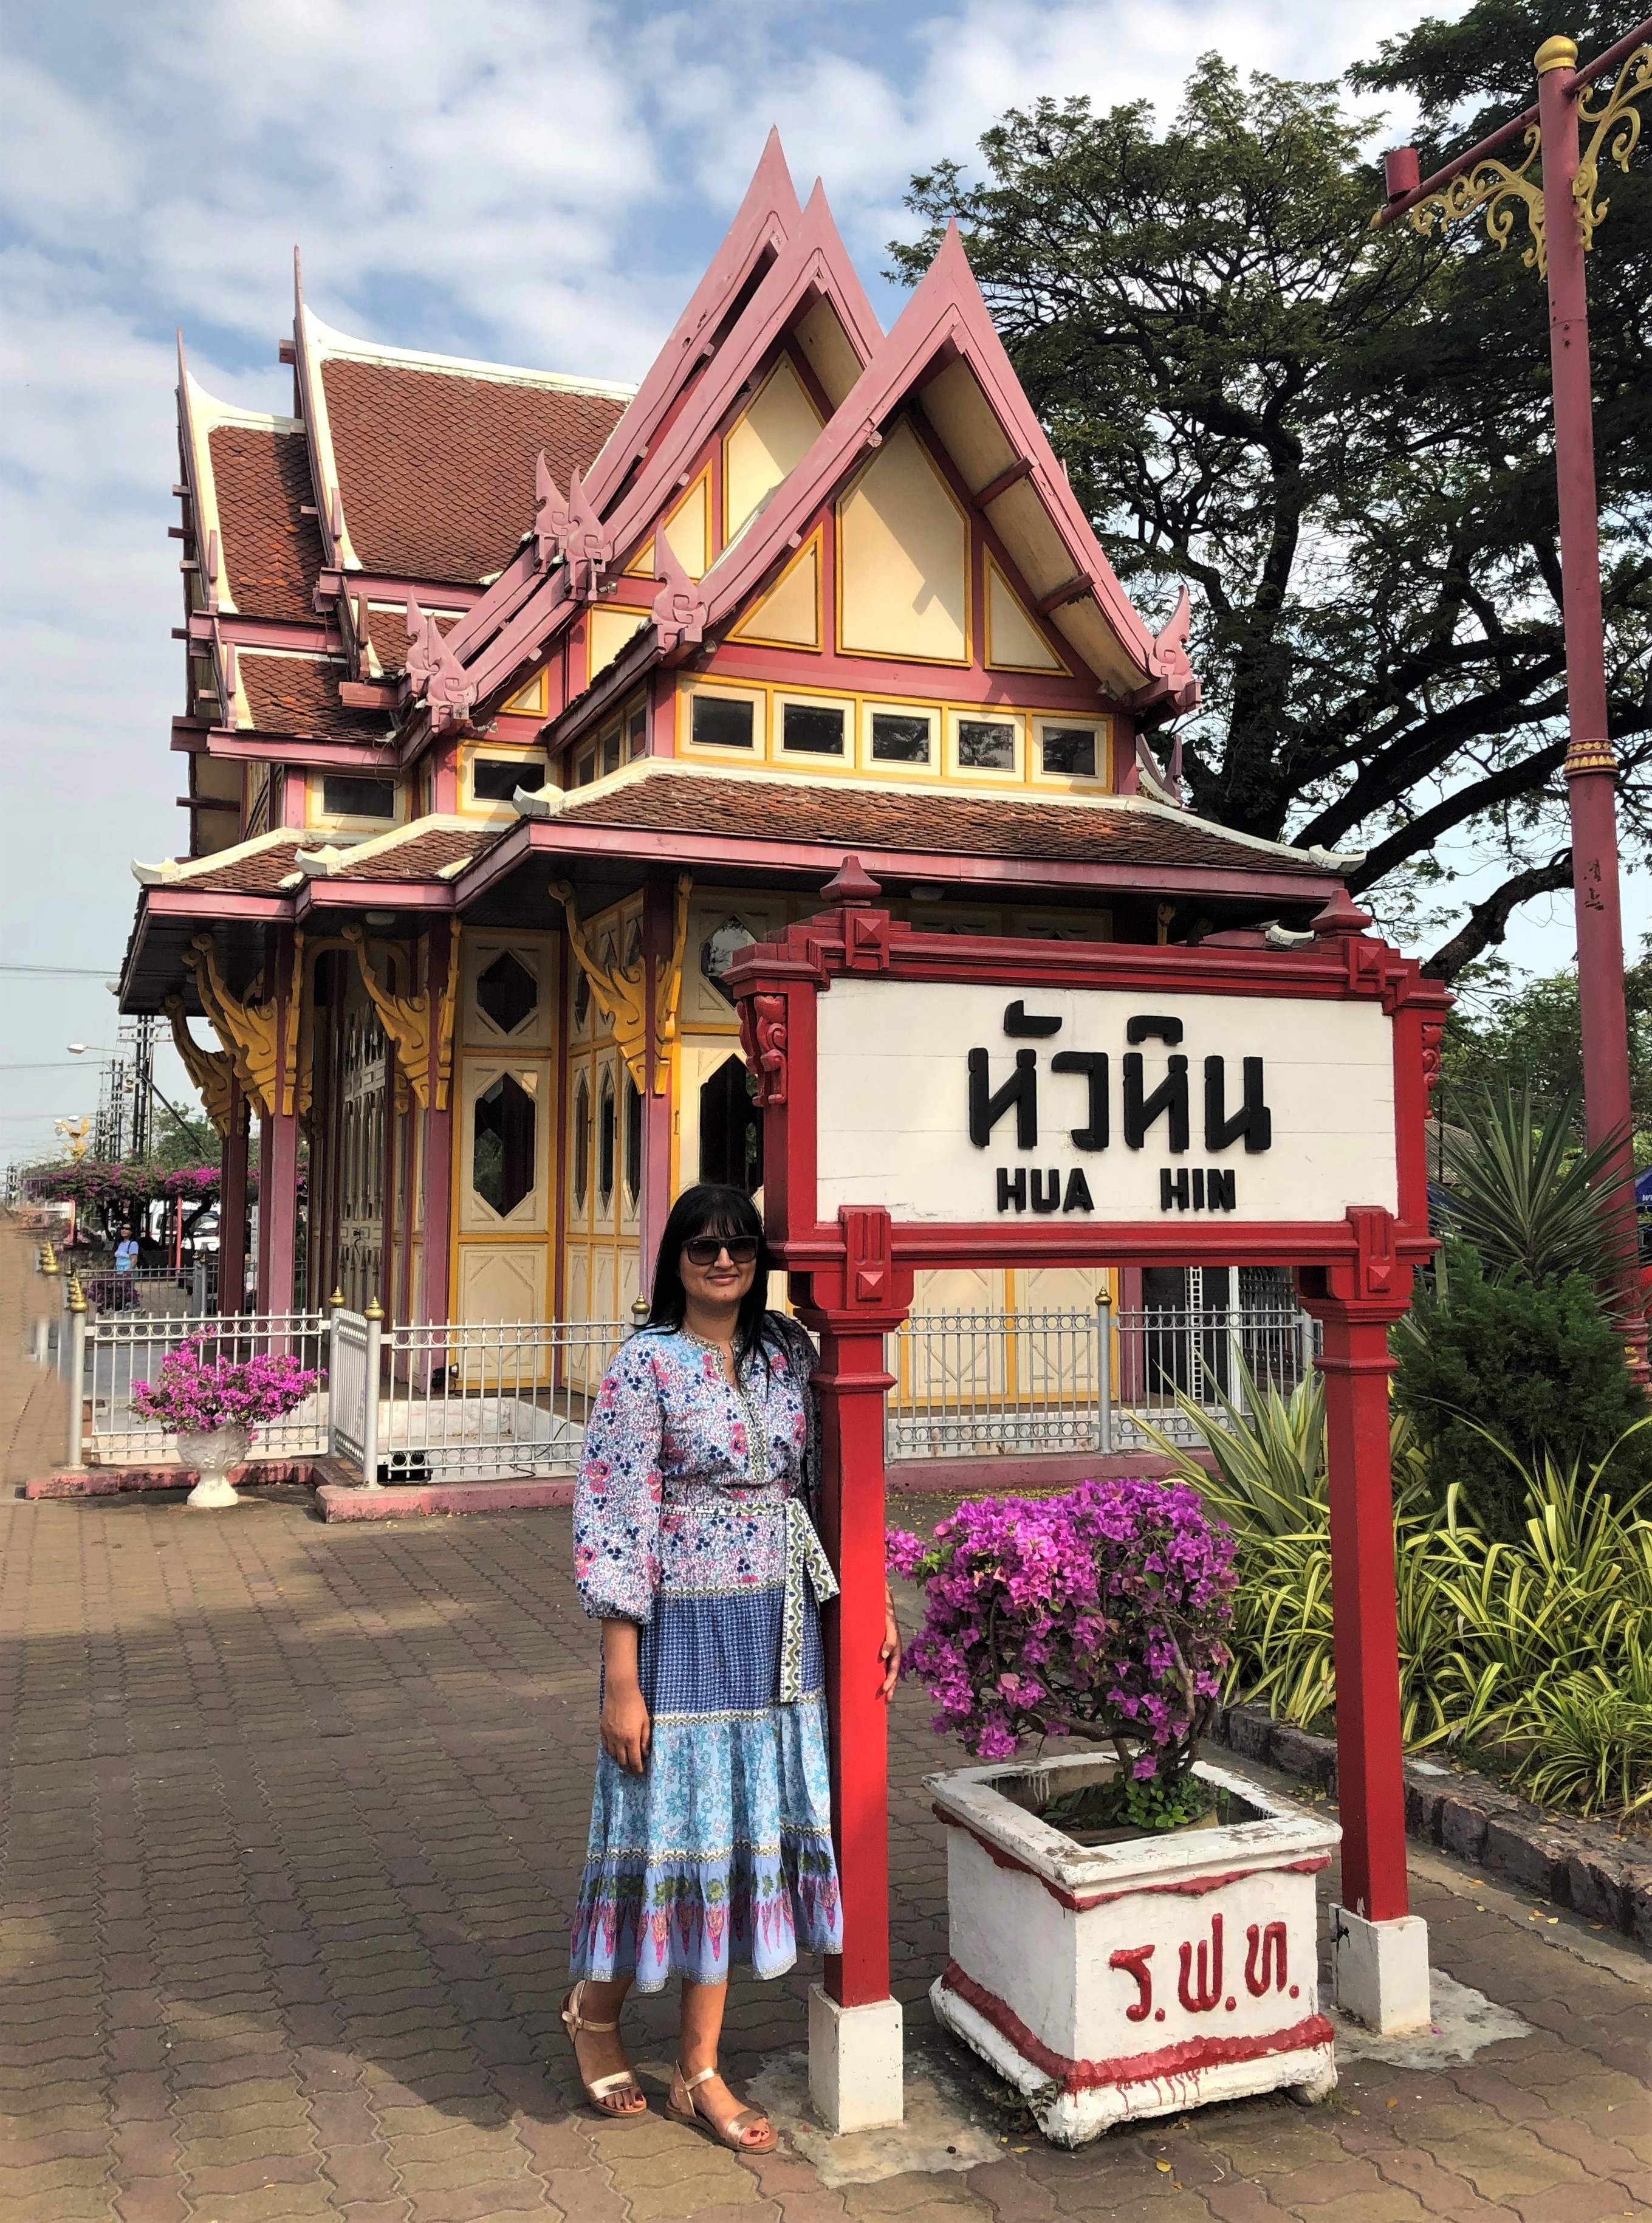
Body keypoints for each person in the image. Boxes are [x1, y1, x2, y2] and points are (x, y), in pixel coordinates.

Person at [564, 1183, 901, 2147]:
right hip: (679, 1629)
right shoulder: (645, 1365)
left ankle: (697, 2068)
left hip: (777, 1623)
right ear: (674, 1258)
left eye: (741, 1246)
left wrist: (872, 1597)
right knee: (661, 1821)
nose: (723, 1262)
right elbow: (616, 1517)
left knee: (735, 1827)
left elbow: (837, 1477)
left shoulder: (788, 1351)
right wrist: (621, 1680)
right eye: (704, 1247)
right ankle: (593, 2009)